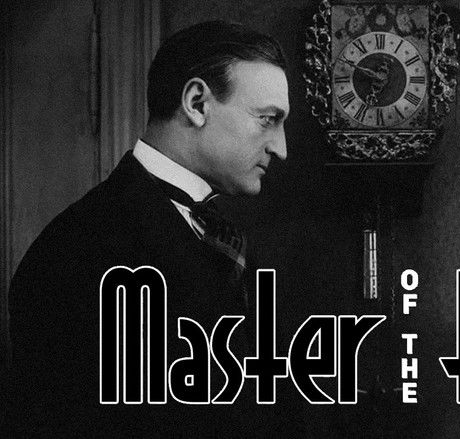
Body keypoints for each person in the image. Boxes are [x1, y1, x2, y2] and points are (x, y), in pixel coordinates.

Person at [3, 21, 288, 436]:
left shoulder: (222, 236)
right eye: (268, 119)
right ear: (196, 103)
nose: (281, 148)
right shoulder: (72, 252)